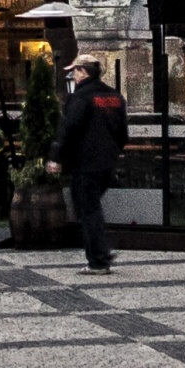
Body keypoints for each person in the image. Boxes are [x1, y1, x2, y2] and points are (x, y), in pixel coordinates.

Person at [48, 52, 127, 271]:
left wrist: (56, 158)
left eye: (74, 71)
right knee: (91, 207)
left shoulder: (81, 97)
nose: (73, 76)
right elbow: (122, 132)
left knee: (87, 209)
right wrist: (114, 152)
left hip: (85, 162)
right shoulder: (115, 97)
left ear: (84, 72)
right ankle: (100, 254)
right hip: (107, 163)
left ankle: (99, 260)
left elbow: (68, 129)